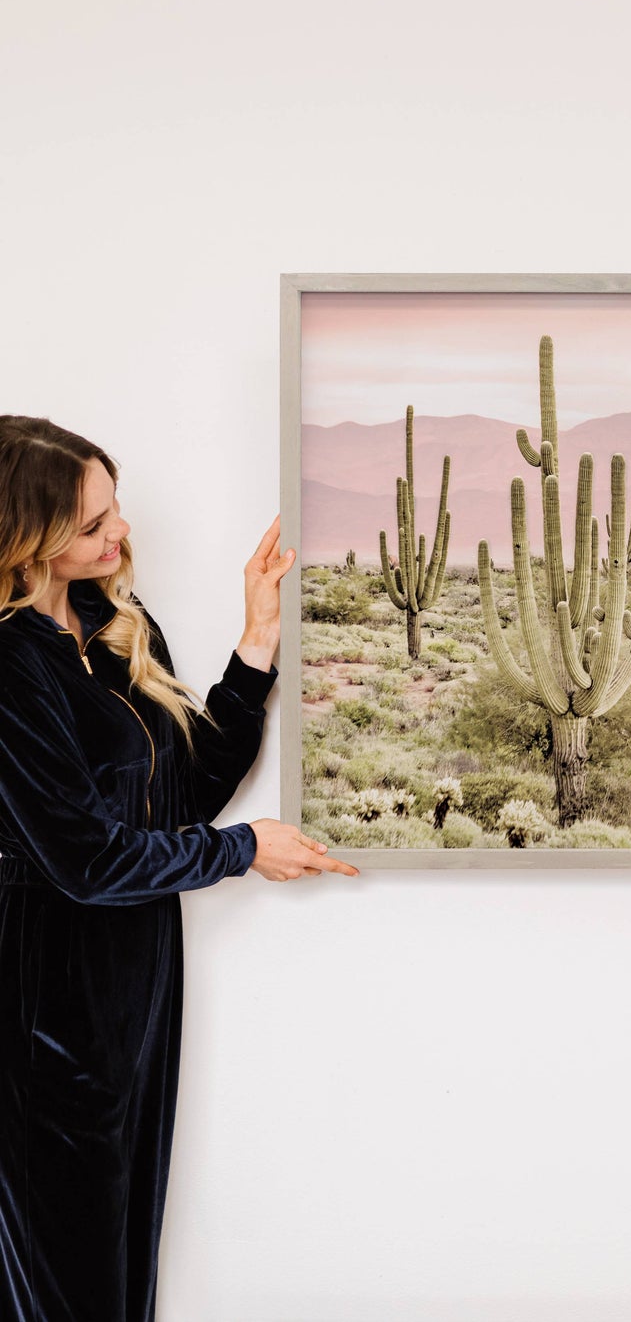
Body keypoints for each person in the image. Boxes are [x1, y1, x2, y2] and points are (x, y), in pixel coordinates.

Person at [0, 415, 360, 1322]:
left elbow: (184, 790)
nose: (119, 533)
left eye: (114, 508)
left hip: (133, 986)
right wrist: (245, 851)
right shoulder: (8, 665)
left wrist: (258, 638)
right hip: (42, 1000)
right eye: (92, 525)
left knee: (119, 1260)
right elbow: (84, 860)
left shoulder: (110, 618)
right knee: (63, 1276)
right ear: (25, 537)